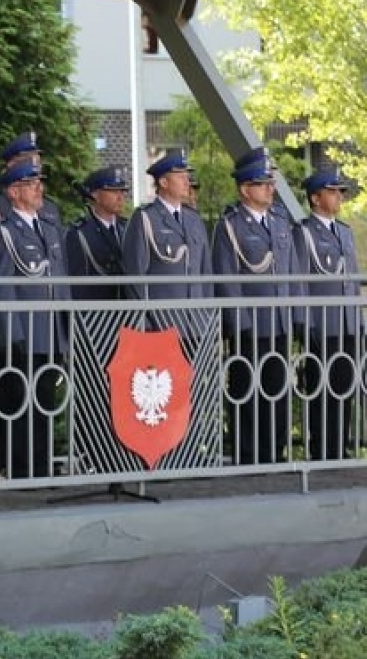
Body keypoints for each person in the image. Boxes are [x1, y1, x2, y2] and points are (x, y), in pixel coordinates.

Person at [0, 161, 69, 478]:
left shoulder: (48, 228)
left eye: (39, 182)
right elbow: (0, 287)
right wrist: (12, 333)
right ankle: (21, 467)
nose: (39, 188)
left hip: (49, 330)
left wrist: (65, 328)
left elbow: (60, 281)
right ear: (14, 192)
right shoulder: (1, 232)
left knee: (44, 400)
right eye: (31, 184)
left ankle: (41, 464)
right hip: (23, 332)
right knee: (19, 402)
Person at [212, 147, 296, 466]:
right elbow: (227, 275)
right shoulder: (231, 225)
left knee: (277, 386)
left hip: (278, 319)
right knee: (247, 387)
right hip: (250, 322)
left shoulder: (279, 221)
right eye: (262, 184)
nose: (269, 189)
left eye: (270, 183)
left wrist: (295, 313)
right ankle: (248, 453)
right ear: (246, 189)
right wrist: (240, 321)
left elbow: (292, 271)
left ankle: (275, 450)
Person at [295, 168, 361, 461]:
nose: (339, 197)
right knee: (321, 388)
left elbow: (353, 280)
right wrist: (305, 323)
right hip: (322, 322)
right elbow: (300, 281)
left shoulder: (344, 231)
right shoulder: (305, 233)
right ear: (316, 198)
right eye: (332, 192)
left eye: (339, 192)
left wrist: (358, 319)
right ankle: (321, 447)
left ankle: (340, 445)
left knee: (344, 385)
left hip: (345, 320)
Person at [121, 152, 210, 308]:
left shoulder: (194, 219)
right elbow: (135, 275)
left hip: (196, 322)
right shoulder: (145, 218)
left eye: (187, 176)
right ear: (163, 182)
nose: (187, 182)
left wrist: (207, 316)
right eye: (180, 177)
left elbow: (206, 273)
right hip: (161, 320)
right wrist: (147, 320)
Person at [66, 166, 129, 301]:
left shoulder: (127, 228)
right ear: (95, 195)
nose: (120, 197)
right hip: (96, 315)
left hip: (128, 315)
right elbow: (77, 286)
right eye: (113, 191)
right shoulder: (79, 233)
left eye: (122, 191)